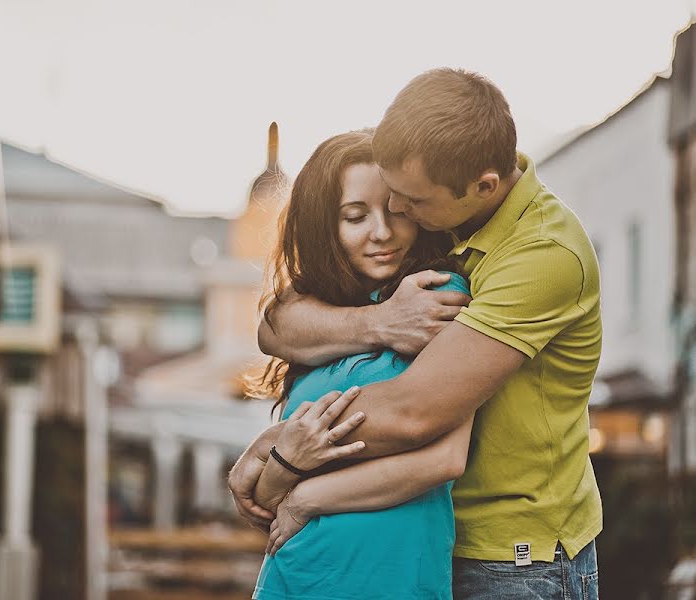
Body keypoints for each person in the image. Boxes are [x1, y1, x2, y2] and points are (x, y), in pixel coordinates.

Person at [229, 68, 602, 599]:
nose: (397, 214)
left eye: (411, 202)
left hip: (513, 558)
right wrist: (378, 322)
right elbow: (276, 325)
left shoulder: (543, 256)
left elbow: (415, 412)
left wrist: (273, 451)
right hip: (429, 541)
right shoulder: (445, 212)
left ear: (484, 187)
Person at [245, 129, 474, 599]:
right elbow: (267, 498)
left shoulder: (436, 295)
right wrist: (279, 469)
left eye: (395, 211)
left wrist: (307, 496)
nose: (382, 232)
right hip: (298, 573)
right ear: (321, 227)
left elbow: (445, 459)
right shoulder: (313, 319)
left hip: (391, 577)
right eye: (354, 216)